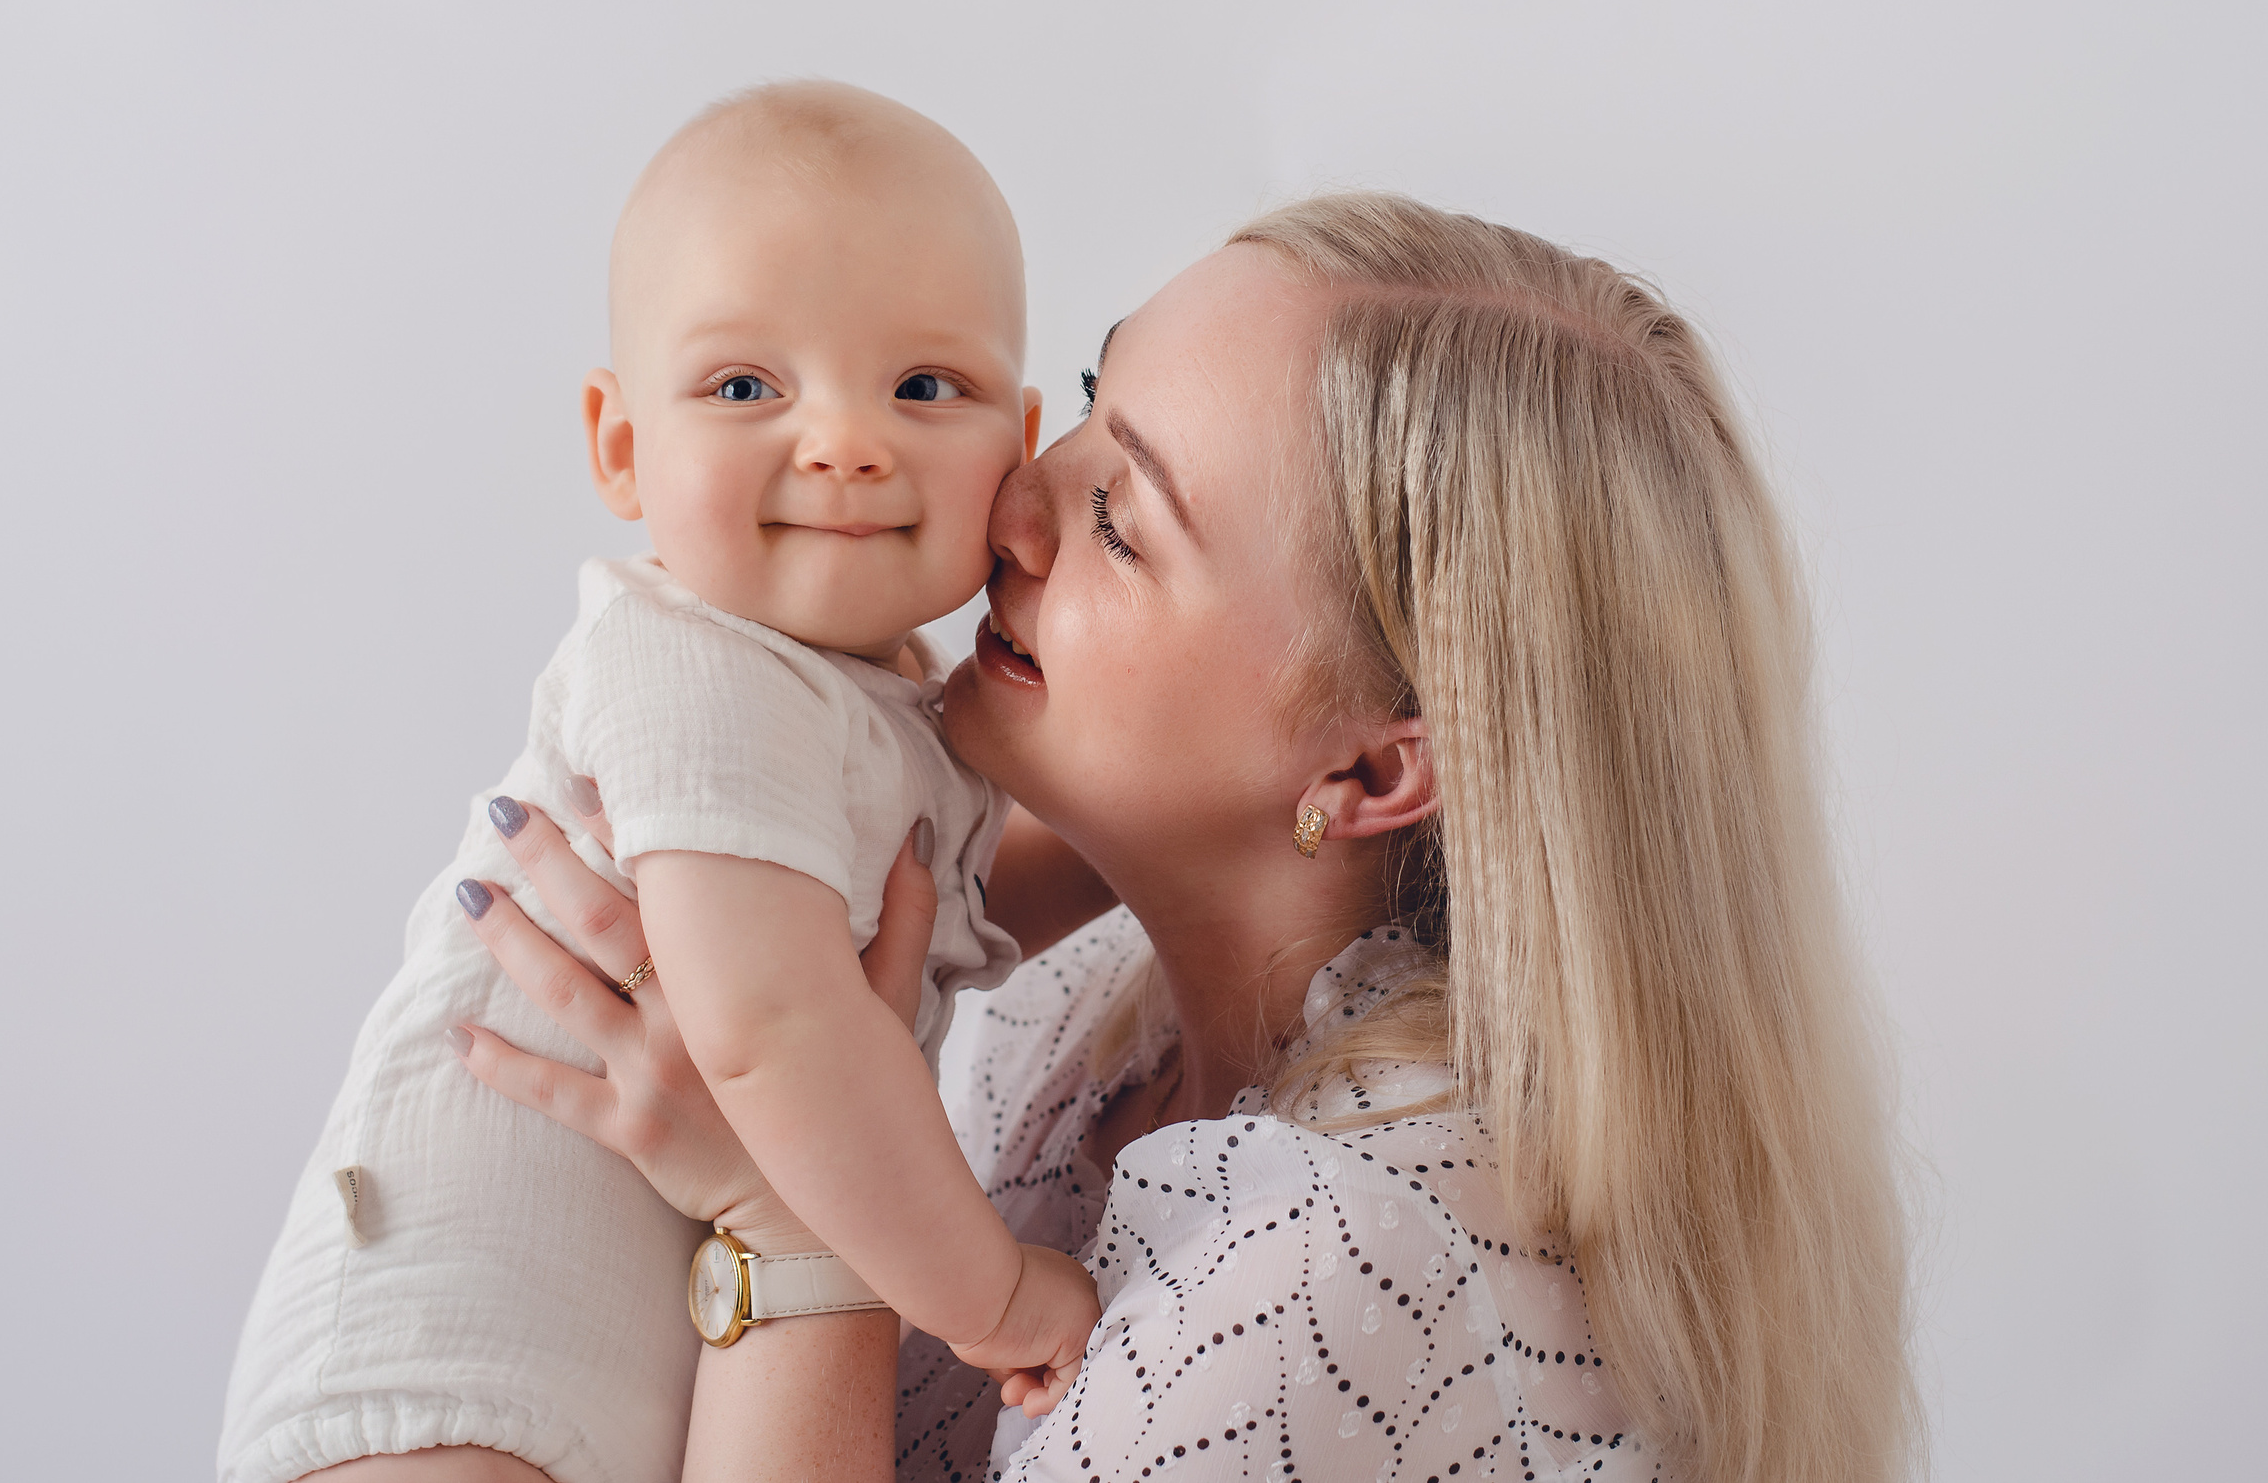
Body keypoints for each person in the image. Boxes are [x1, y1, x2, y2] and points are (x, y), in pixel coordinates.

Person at [419, 192, 1920, 1482]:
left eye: (1127, 520)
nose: (1013, 503)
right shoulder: (1104, 1017)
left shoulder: (1324, 1284)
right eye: (1084, 398)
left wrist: (782, 1208)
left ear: (1377, 762)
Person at [219, 82, 1103, 1483]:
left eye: (924, 387)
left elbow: (938, 911)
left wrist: (1145, 830)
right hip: (448, 1375)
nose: (846, 442)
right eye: (749, 386)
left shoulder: (881, 702)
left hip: (615, 1384)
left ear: (1018, 438)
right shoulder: (697, 672)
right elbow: (773, 1031)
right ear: (622, 443)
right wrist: (986, 1293)